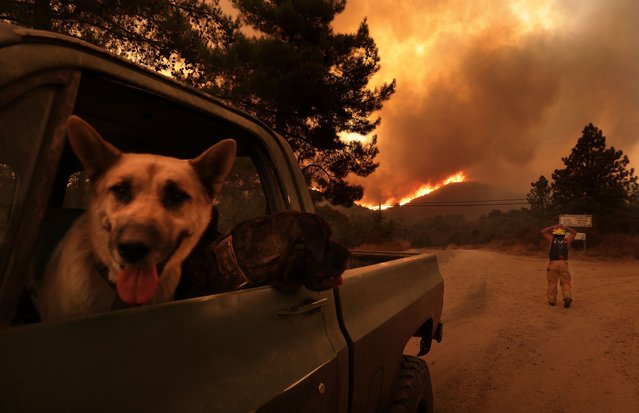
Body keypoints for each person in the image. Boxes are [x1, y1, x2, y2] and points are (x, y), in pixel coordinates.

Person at [540, 224, 577, 308]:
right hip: (563, 263)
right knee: (565, 282)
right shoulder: (567, 241)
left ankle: (552, 300)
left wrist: (552, 226)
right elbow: (574, 233)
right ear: (563, 233)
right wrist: (566, 227)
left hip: (553, 263)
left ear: (555, 233)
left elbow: (542, 232)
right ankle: (567, 296)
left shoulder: (551, 240)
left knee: (552, 282)